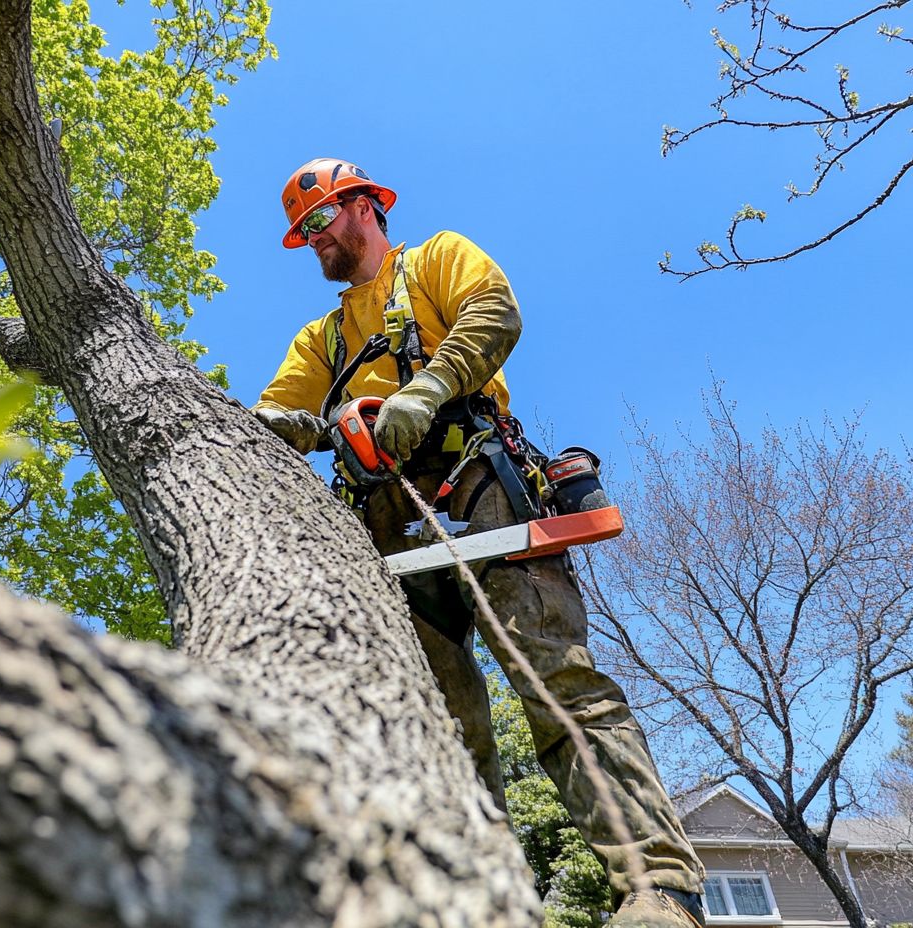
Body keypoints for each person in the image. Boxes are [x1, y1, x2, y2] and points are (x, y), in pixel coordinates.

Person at [253, 158, 706, 928]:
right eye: (303, 232)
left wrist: (427, 390)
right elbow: (269, 419)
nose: (313, 241)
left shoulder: (434, 260)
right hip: (385, 521)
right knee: (441, 725)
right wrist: (288, 427)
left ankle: (660, 888)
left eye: (320, 220)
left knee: (559, 685)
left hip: (481, 481)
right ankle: (479, 906)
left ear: (364, 206)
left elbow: (494, 311)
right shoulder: (321, 339)